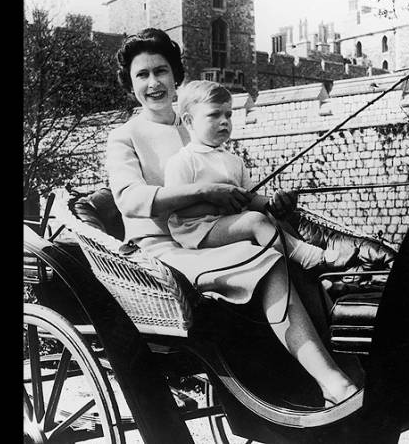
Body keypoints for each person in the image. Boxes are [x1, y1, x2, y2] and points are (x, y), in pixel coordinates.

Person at [106, 28, 359, 406]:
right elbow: (128, 198)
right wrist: (202, 193)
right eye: (142, 75)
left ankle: (333, 372)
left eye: (161, 71)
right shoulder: (125, 136)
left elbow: (233, 183)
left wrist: (266, 203)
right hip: (164, 249)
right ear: (131, 85)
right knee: (269, 262)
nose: (154, 83)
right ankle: (329, 382)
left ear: (176, 76)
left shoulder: (198, 120)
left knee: (282, 243)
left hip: (220, 235)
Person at [164, 79, 357, 272]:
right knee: (254, 221)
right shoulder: (183, 161)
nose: (224, 121)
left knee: (276, 221)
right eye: (214, 115)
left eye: (228, 115)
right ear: (189, 121)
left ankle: (313, 277)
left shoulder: (234, 161)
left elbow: (250, 198)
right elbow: (175, 205)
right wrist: (216, 203)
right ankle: (312, 258)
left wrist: (273, 201)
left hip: (228, 224)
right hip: (197, 231)